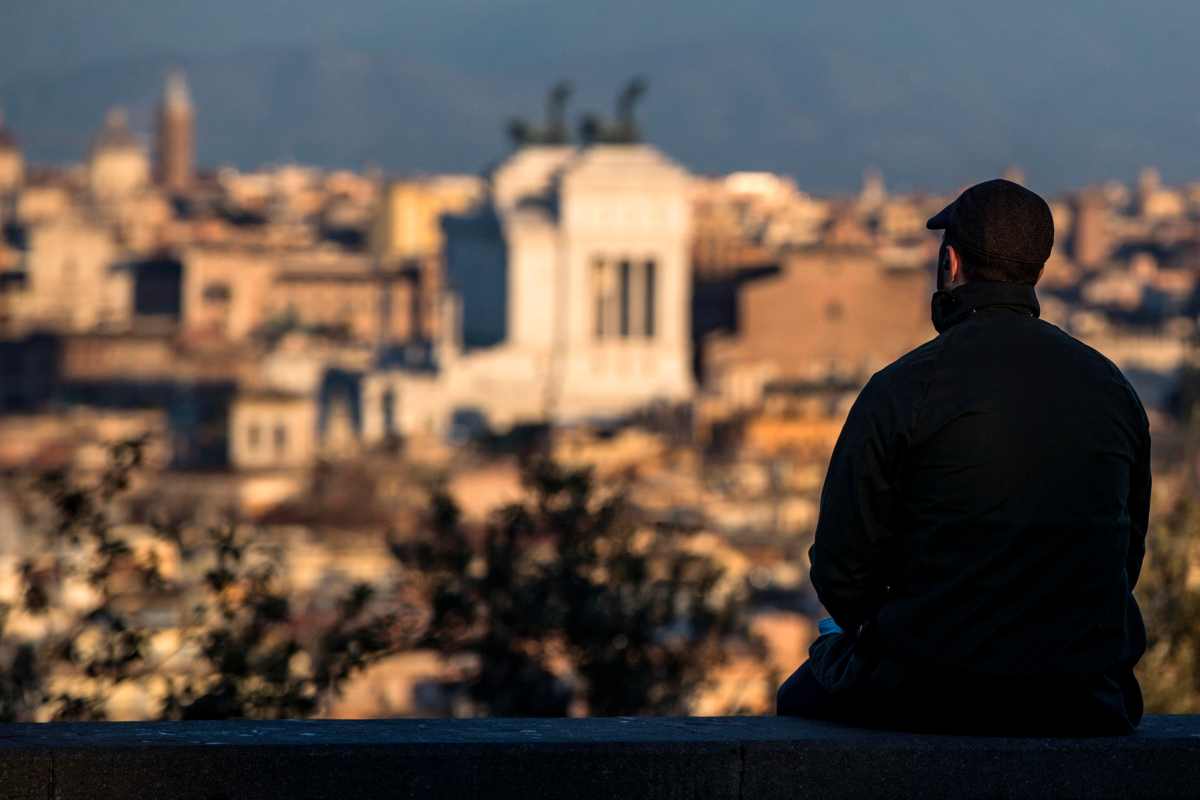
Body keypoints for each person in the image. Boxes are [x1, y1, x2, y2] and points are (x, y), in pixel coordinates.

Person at [776, 179, 1150, 735]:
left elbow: (839, 569)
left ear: (950, 263)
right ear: (1038, 272)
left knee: (801, 691)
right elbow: (1126, 559)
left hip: (925, 689)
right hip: (1084, 696)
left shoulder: (901, 389)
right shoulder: (1112, 389)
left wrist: (898, 629)